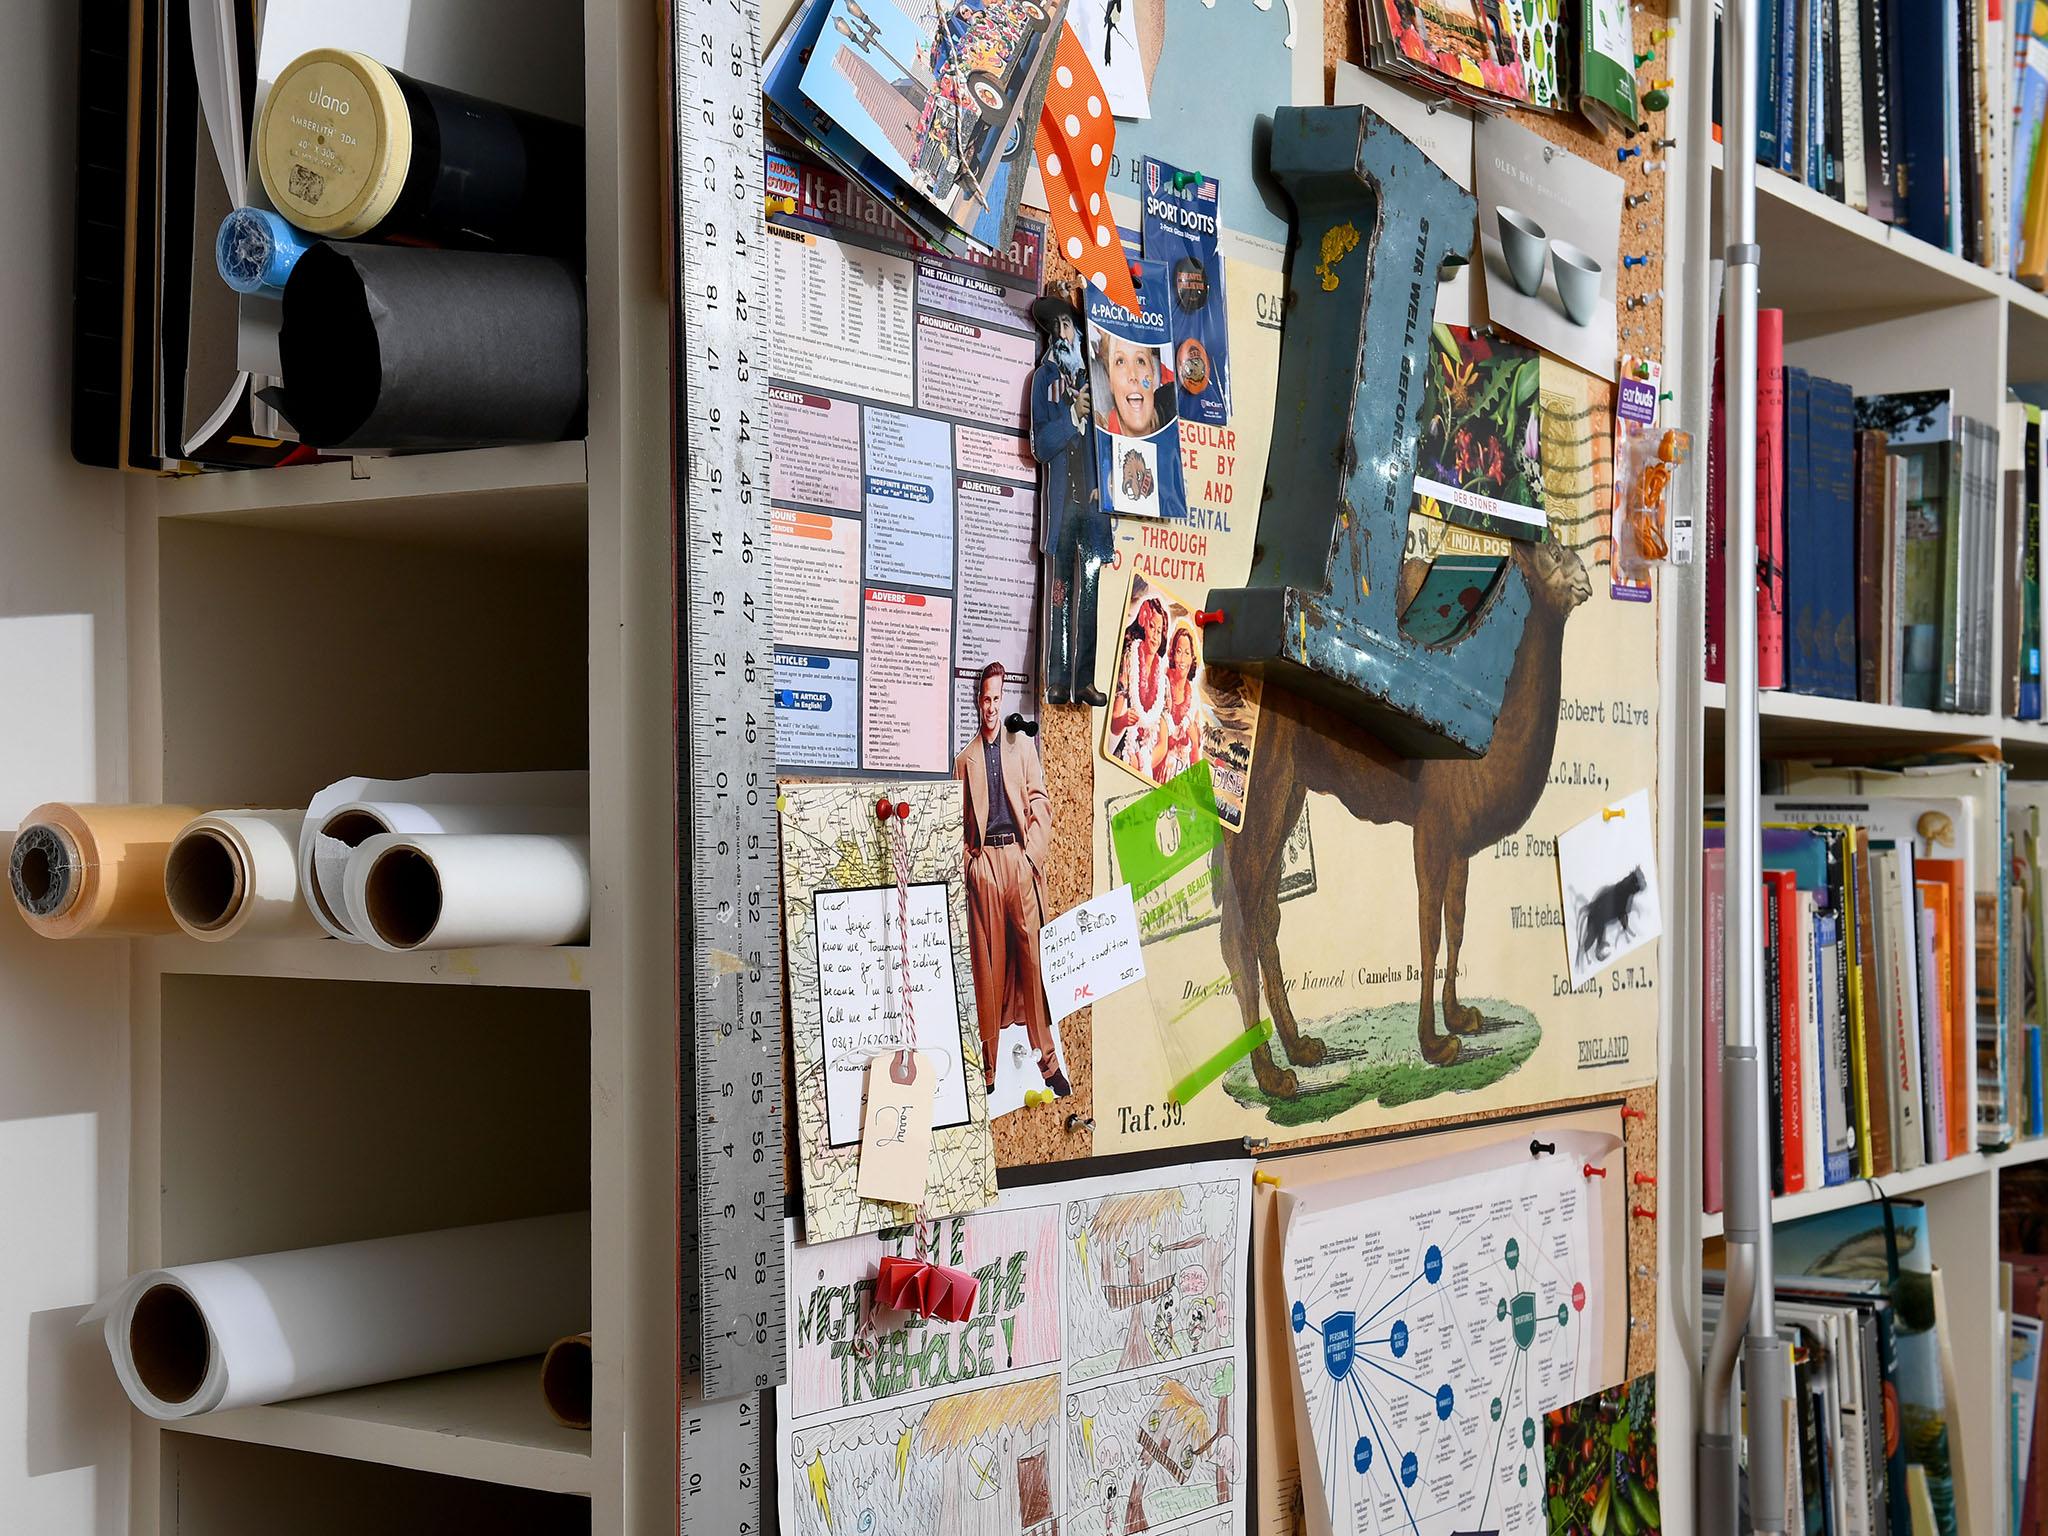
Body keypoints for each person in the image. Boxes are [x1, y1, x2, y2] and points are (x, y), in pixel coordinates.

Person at [952, 661, 1069, 1096]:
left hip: (1019, 863)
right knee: (989, 968)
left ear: (1003, 702)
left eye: (997, 699)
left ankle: (1049, 1060)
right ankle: (988, 1068)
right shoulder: (964, 760)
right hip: (986, 870)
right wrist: (972, 866)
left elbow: (1040, 802)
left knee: (1033, 963)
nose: (990, 706)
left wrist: (1031, 857)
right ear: (977, 701)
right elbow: (957, 824)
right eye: (985, 698)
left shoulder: (1023, 749)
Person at [1031, 292, 1112, 707]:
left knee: (1091, 593)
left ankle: (1084, 680)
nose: (1065, 333)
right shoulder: (1045, 381)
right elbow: (1041, 444)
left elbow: (1113, 440)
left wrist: (1106, 484)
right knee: (1060, 593)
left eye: (1070, 325)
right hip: (1063, 505)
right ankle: (1058, 680)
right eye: (1059, 326)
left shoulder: (1097, 381)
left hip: (1092, 506)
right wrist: (1073, 417)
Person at [1107, 595, 1168, 777]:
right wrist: (1125, 720)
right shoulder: (1129, 659)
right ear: (1143, 626)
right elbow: (1114, 725)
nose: (1155, 637)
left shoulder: (1162, 681)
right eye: (1152, 627)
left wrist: (1144, 763)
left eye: (1159, 631)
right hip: (1124, 752)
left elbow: (1163, 744)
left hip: (1147, 760)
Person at [1093, 331, 1171, 436]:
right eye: (1120, 362)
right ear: (1110, 380)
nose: (1133, 375)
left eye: (1140, 361)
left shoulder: (1174, 405)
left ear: (1152, 372)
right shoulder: (1098, 436)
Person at [1158, 622, 1202, 781]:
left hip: (1177, 777)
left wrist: (1194, 741)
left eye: (1187, 653)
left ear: (1192, 658)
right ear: (1172, 654)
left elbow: (1196, 762)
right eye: (1179, 651)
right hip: (1154, 765)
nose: (1182, 659)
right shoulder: (1162, 682)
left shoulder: (1194, 700)